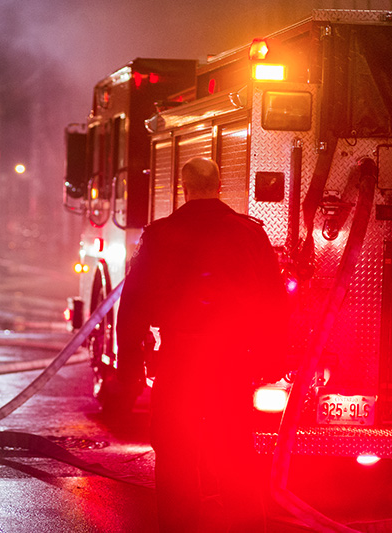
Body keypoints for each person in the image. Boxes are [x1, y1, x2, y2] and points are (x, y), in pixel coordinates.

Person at [117, 157, 287, 531]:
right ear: (219, 187)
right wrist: (272, 359)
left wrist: (128, 368)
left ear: (184, 189)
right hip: (231, 362)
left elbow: (133, 304)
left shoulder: (160, 235)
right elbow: (273, 301)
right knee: (235, 454)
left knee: (176, 457)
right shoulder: (249, 234)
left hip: (179, 362)